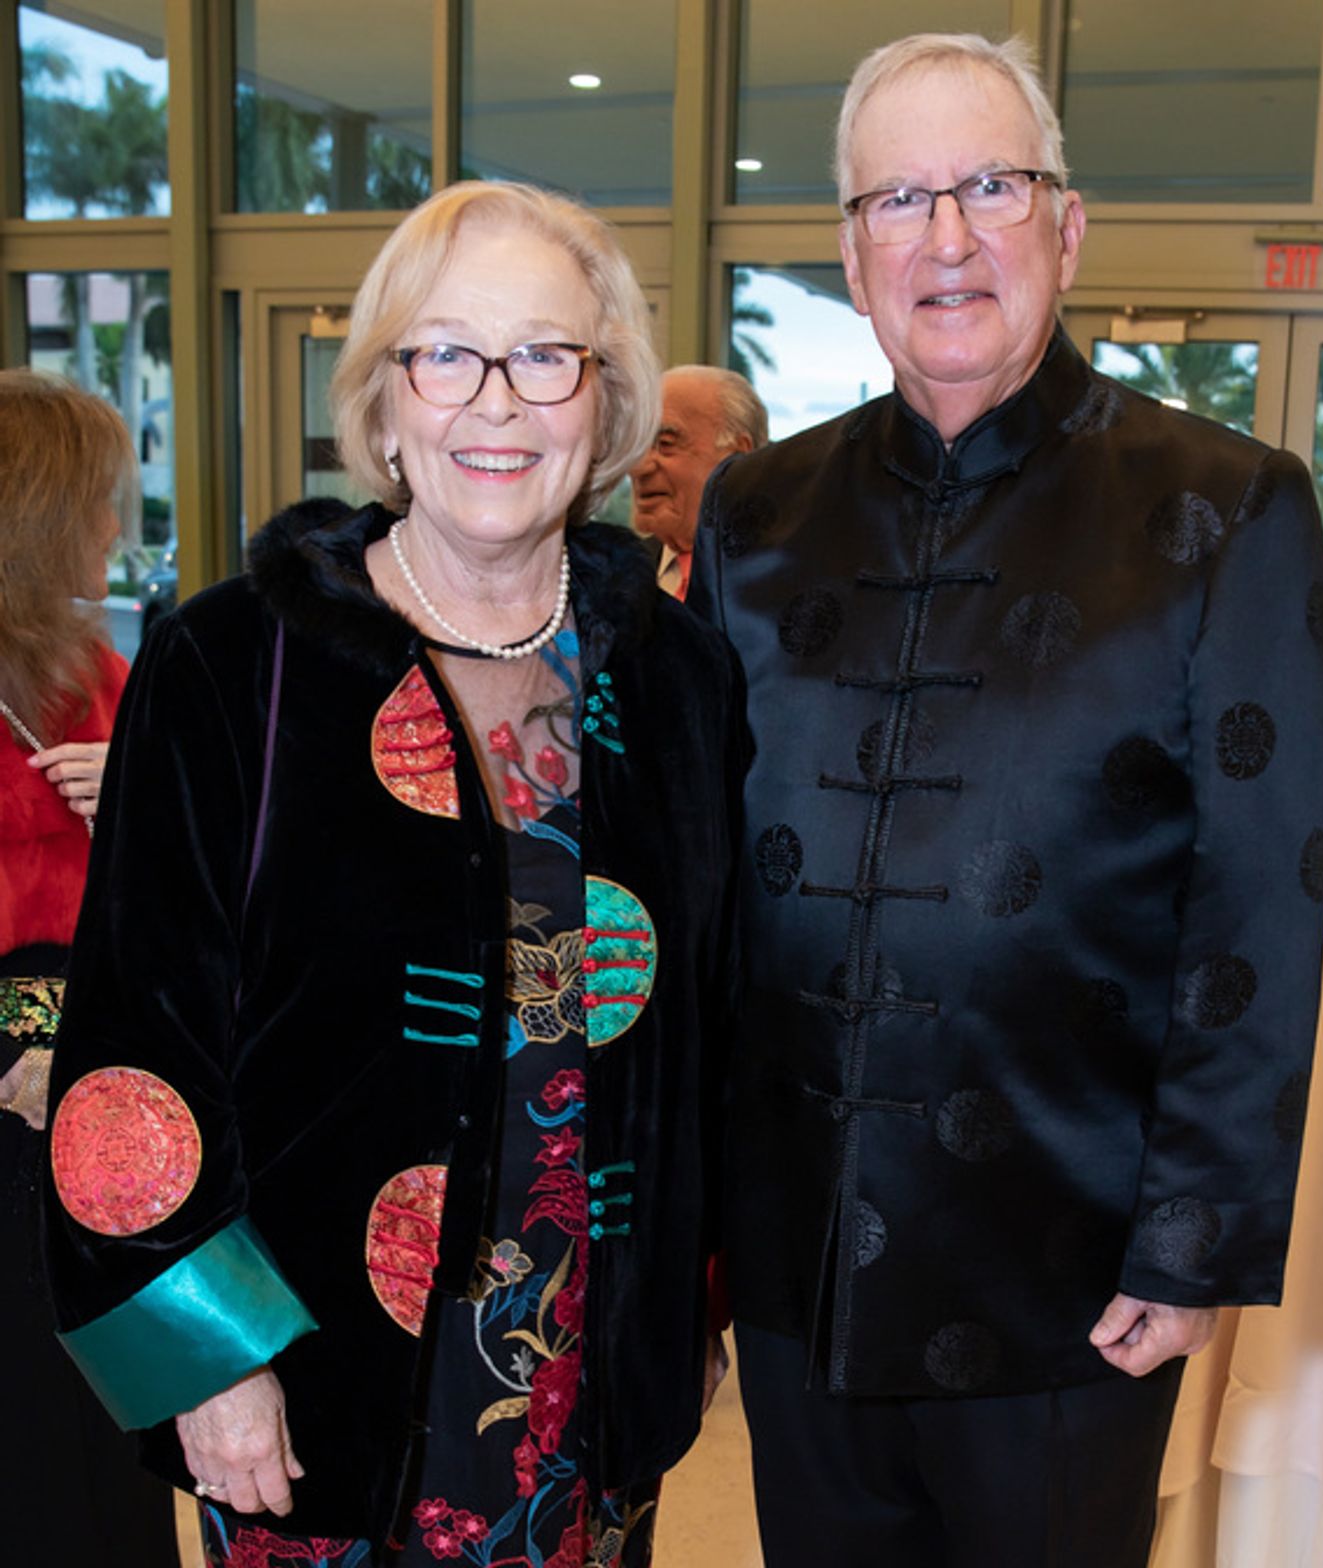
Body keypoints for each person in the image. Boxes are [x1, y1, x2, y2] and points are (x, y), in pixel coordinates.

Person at [688, 32, 1323, 1568]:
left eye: (992, 184)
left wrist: (1192, 1239)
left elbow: (1261, 899)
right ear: (852, 255)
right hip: (796, 1258)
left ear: (1068, 224)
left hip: (1064, 1264)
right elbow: (701, 874)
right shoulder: (756, 514)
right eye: (901, 199)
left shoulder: (1226, 508)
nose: (950, 237)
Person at [43, 181, 748, 1568]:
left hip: (579, 1379)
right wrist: (205, 1355)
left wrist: (687, 1307)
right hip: (316, 1386)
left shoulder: (677, 681)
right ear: (383, 399)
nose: (496, 402)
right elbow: (133, 1046)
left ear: (604, 405)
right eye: (447, 352)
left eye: (546, 355)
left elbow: (708, 1042)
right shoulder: (231, 667)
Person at [0, 369, 181, 1568]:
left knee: (121, 1438)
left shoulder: (104, 672)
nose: (116, 530)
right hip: (14, 1103)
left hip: (108, 1104)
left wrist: (145, 815)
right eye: (98, 502)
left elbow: (204, 892)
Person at [630, 365, 767, 600]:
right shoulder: (616, 578)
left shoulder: (787, 577)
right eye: (638, 446)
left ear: (737, 457)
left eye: (665, 443)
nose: (638, 468)